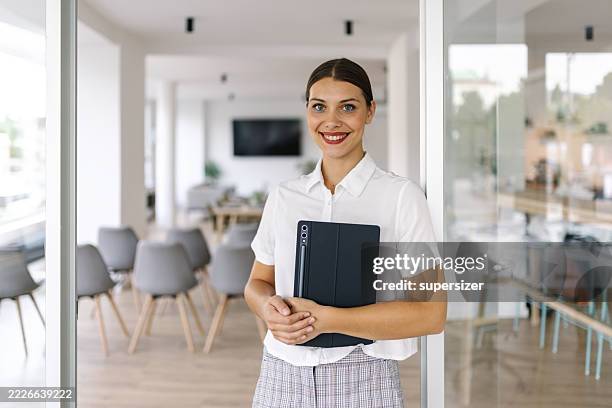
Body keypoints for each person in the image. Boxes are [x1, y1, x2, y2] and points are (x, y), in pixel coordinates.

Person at [245, 58, 446, 408]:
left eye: (348, 107)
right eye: (319, 106)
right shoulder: (284, 196)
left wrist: (328, 320)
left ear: (370, 111)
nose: (332, 121)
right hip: (280, 373)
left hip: (364, 377)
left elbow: (430, 313)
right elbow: (257, 284)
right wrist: (268, 308)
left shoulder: (401, 196)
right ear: (308, 112)